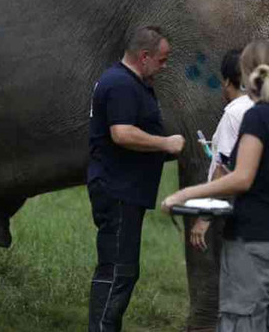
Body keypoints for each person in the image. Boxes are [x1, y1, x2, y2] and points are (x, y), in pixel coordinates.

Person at [163, 39, 269, 332]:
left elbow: (241, 177)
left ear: (245, 76)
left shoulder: (255, 116)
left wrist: (185, 193)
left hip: (252, 244)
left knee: (240, 324)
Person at [87, 25, 185, 332]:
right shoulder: (120, 84)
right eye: (162, 59)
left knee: (122, 271)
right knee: (118, 271)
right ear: (144, 56)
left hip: (127, 191)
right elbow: (122, 133)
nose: (164, 66)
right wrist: (165, 143)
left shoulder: (135, 84)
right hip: (117, 190)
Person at [190, 48, 254, 252]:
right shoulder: (267, 109)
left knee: (237, 279)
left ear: (226, 81)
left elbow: (222, 170)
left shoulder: (233, 114)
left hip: (239, 213)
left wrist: (204, 218)